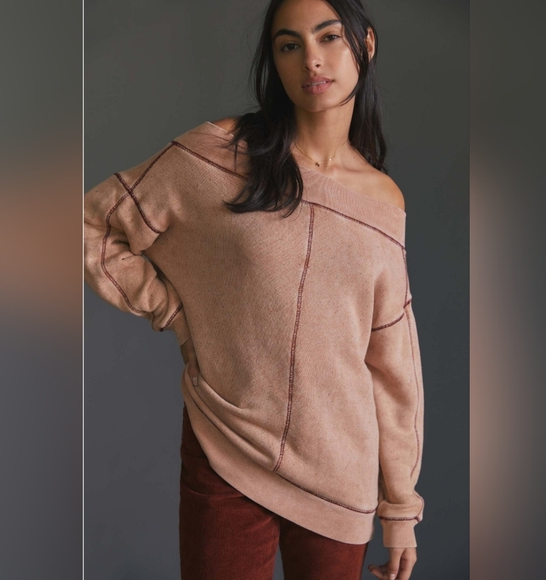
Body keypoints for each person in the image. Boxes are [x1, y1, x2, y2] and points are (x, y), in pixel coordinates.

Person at [84, 0, 425, 578]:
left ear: (366, 44)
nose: (311, 60)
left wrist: (400, 508)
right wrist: (175, 313)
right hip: (227, 449)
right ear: (274, 60)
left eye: (329, 37)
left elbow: (393, 364)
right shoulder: (220, 153)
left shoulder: (384, 202)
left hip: (341, 476)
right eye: (289, 45)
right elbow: (92, 225)